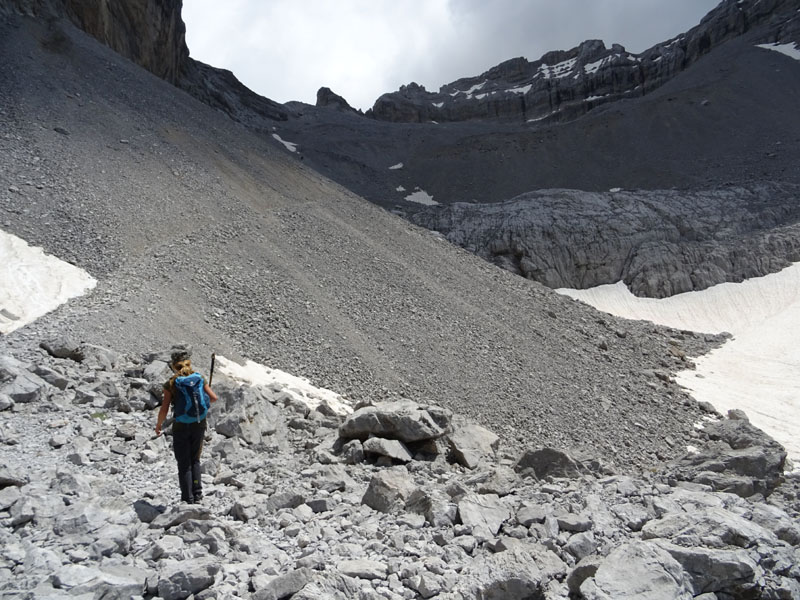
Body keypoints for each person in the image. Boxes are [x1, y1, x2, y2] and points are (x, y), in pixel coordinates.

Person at [155, 350, 218, 504]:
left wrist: (158, 425)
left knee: (184, 462)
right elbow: (214, 398)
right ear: (189, 363)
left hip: (181, 425)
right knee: (195, 459)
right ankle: (197, 494)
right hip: (199, 423)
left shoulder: (171, 383)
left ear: (173, 366)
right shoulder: (199, 378)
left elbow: (164, 409)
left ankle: (187, 499)